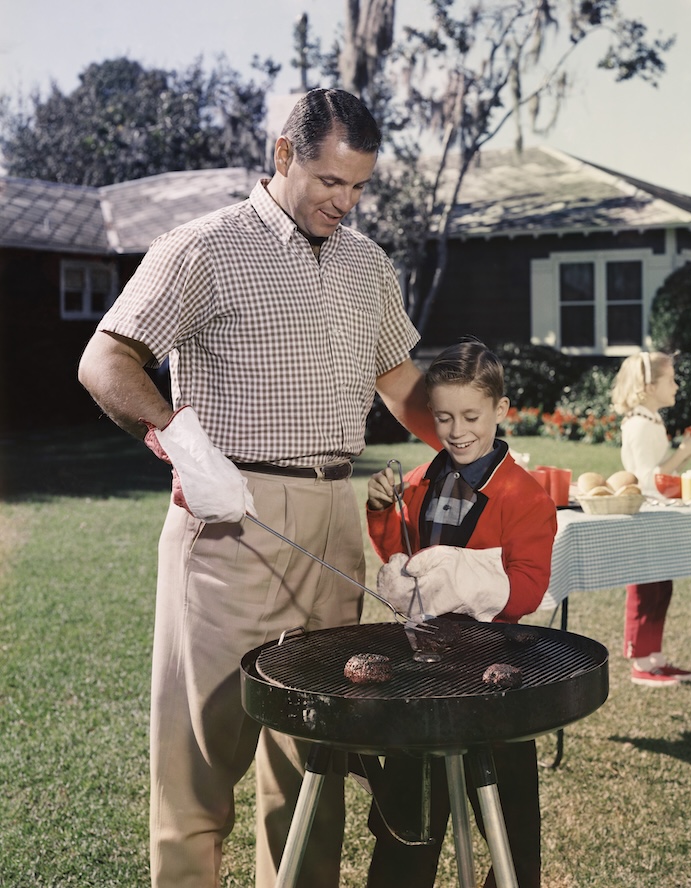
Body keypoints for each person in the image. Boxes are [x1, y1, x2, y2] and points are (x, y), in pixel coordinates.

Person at [77, 88, 441, 888]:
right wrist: (180, 441)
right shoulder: (203, 247)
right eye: (329, 182)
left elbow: (404, 383)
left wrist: (473, 445)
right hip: (229, 524)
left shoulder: (367, 263)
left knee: (314, 756)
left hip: (333, 518)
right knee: (199, 763)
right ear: (283, 155)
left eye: (358, 186)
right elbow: (105, 361)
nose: (344, 202)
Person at [363, 337, 558, 888]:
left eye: (472, 415)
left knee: (509, 815)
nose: (457, 430)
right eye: (444, 417)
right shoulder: (426, 480)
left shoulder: (525, 495)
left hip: (497, 670)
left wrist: (461, 573)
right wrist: (384, 512)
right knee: (410, 808)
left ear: (501, 410)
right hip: (423, 670)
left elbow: (529, 588)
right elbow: (403, 554)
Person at [609, 351, 691, 687]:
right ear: (648, 386)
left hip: (656, 514)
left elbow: (658, 473)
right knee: (644, 588)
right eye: (671, 379)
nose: (677, 384)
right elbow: (646, 479)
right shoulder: (640, 425)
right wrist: (684, 451)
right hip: (643, 516)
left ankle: (654, 657)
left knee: (660, 586)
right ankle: (640, 662)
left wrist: (683, 454)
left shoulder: (651, 420)